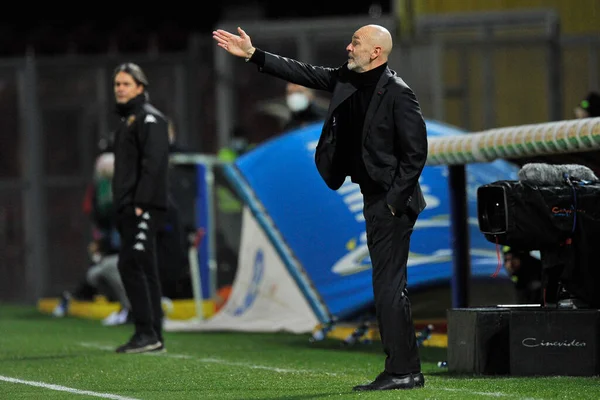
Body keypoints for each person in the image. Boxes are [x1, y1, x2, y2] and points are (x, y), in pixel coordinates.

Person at [213, 24, 428, 391]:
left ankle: (403, 371)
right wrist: (254, 55)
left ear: (376, 52)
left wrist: (392, 203)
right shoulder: (349, 78)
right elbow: (305, 73)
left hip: (392, 202)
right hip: (373, 197)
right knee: (388, 287)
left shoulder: (398, 93)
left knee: (389, 287)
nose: (348, 46)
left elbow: (416, 153)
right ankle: (405, 369)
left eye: (356, 42)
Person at [111, 62, 170, 354]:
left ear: (140, 87)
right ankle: (152, 335)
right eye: (117, 84)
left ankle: (147, 332)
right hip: (130, 206)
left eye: (125, 84)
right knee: (143, 266)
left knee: (132, 264)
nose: (120, 89)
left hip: (142, 206)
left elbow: (154, 164)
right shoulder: (129, 120)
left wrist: (141, 203)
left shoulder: (149, 119)